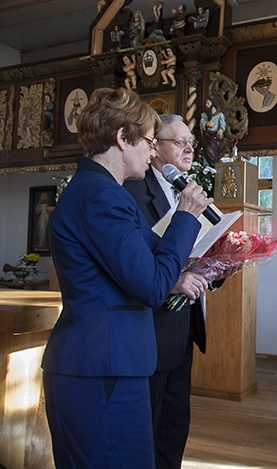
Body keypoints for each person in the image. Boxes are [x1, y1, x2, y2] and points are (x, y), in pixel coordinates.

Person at [41, 88, 213, 469]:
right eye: (149, 142)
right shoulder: (101, 196)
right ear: (122, 138)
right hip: (99, 368)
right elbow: (152, 285)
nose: (153, 152)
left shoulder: (107, 192)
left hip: (116, 363)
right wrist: (185, 214)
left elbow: (155, 260)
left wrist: (205, 261)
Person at [123, 114, 235, 469]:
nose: (190, 148)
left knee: (175, 424)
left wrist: (221, 266)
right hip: (153, 325)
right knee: (150, 424)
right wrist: (174, 280)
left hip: (183, 324)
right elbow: (135, 259)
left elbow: (195, 252)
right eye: (180, 141)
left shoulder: (189, 189)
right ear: (154, 147)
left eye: (191, 142)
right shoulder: (135, 190)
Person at [199, 97, 226, 166]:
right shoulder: (204, 115)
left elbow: (222, 125)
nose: (206, 105)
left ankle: (213, 165)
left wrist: (221, 130)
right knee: (207, 151)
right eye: (206, 103)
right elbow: (201, 123)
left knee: (213, 152)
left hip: (214, 137)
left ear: (213, 104)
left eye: (208, 103)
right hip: (207, 136)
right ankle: (207, 166)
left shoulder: (219, 115)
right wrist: (206, 124)